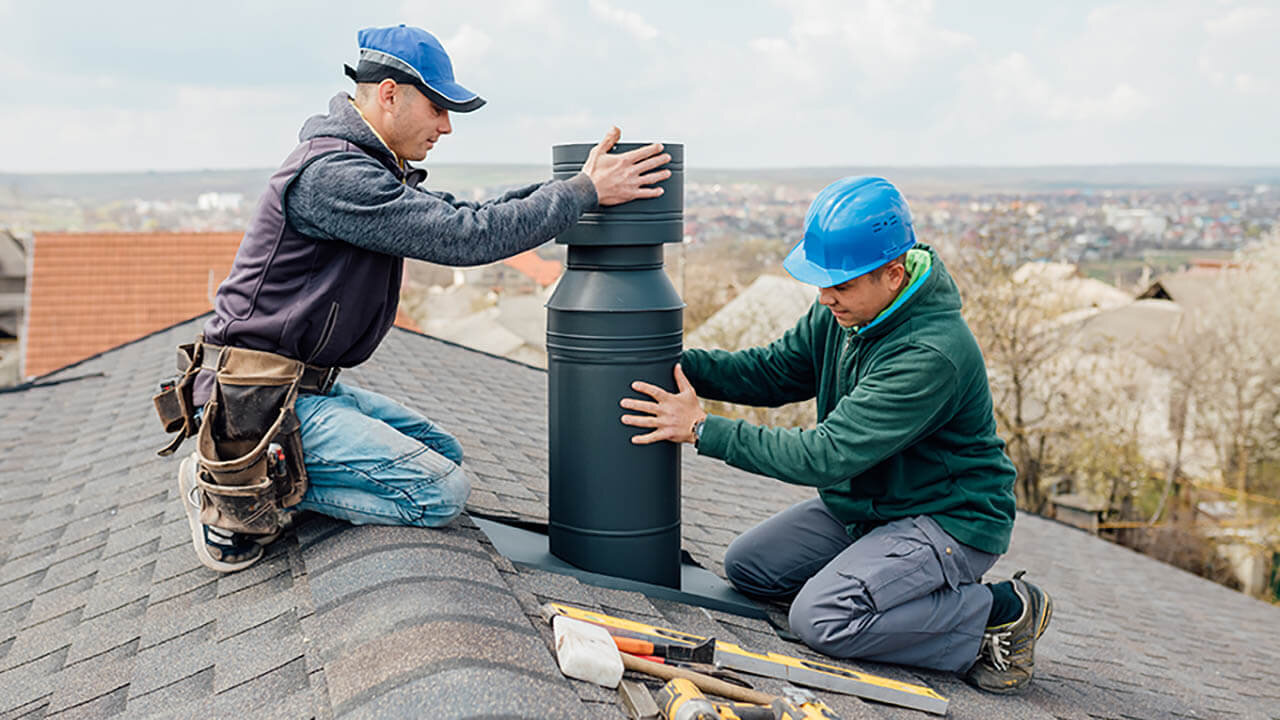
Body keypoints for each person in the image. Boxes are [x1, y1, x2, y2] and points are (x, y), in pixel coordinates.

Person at [169, 24, 670, 574]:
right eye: (437, 108)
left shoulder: (368, 167)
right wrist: (586, 192)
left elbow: (466, 213)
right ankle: (234, 489)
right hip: (258, 403)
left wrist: (573, 184)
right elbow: (466, 237)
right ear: (389, 94)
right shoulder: (333, 176)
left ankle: (270, 471)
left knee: (444, 454)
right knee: (439, 491)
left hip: (300, 392)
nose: (446, 126)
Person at [619, 176, 1052, 694]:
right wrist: (675, 364)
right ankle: (891, 586)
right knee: (750, 567)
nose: (825, 298)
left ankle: (996, 612)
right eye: (822, 282)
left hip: (947, 520)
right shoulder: (848, 313)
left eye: (840, 285)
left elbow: (824, 456)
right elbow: (775, 372)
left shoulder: (929, 354)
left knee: (822, 620)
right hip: (870, 509)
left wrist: (701, 429)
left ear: (893, 275)